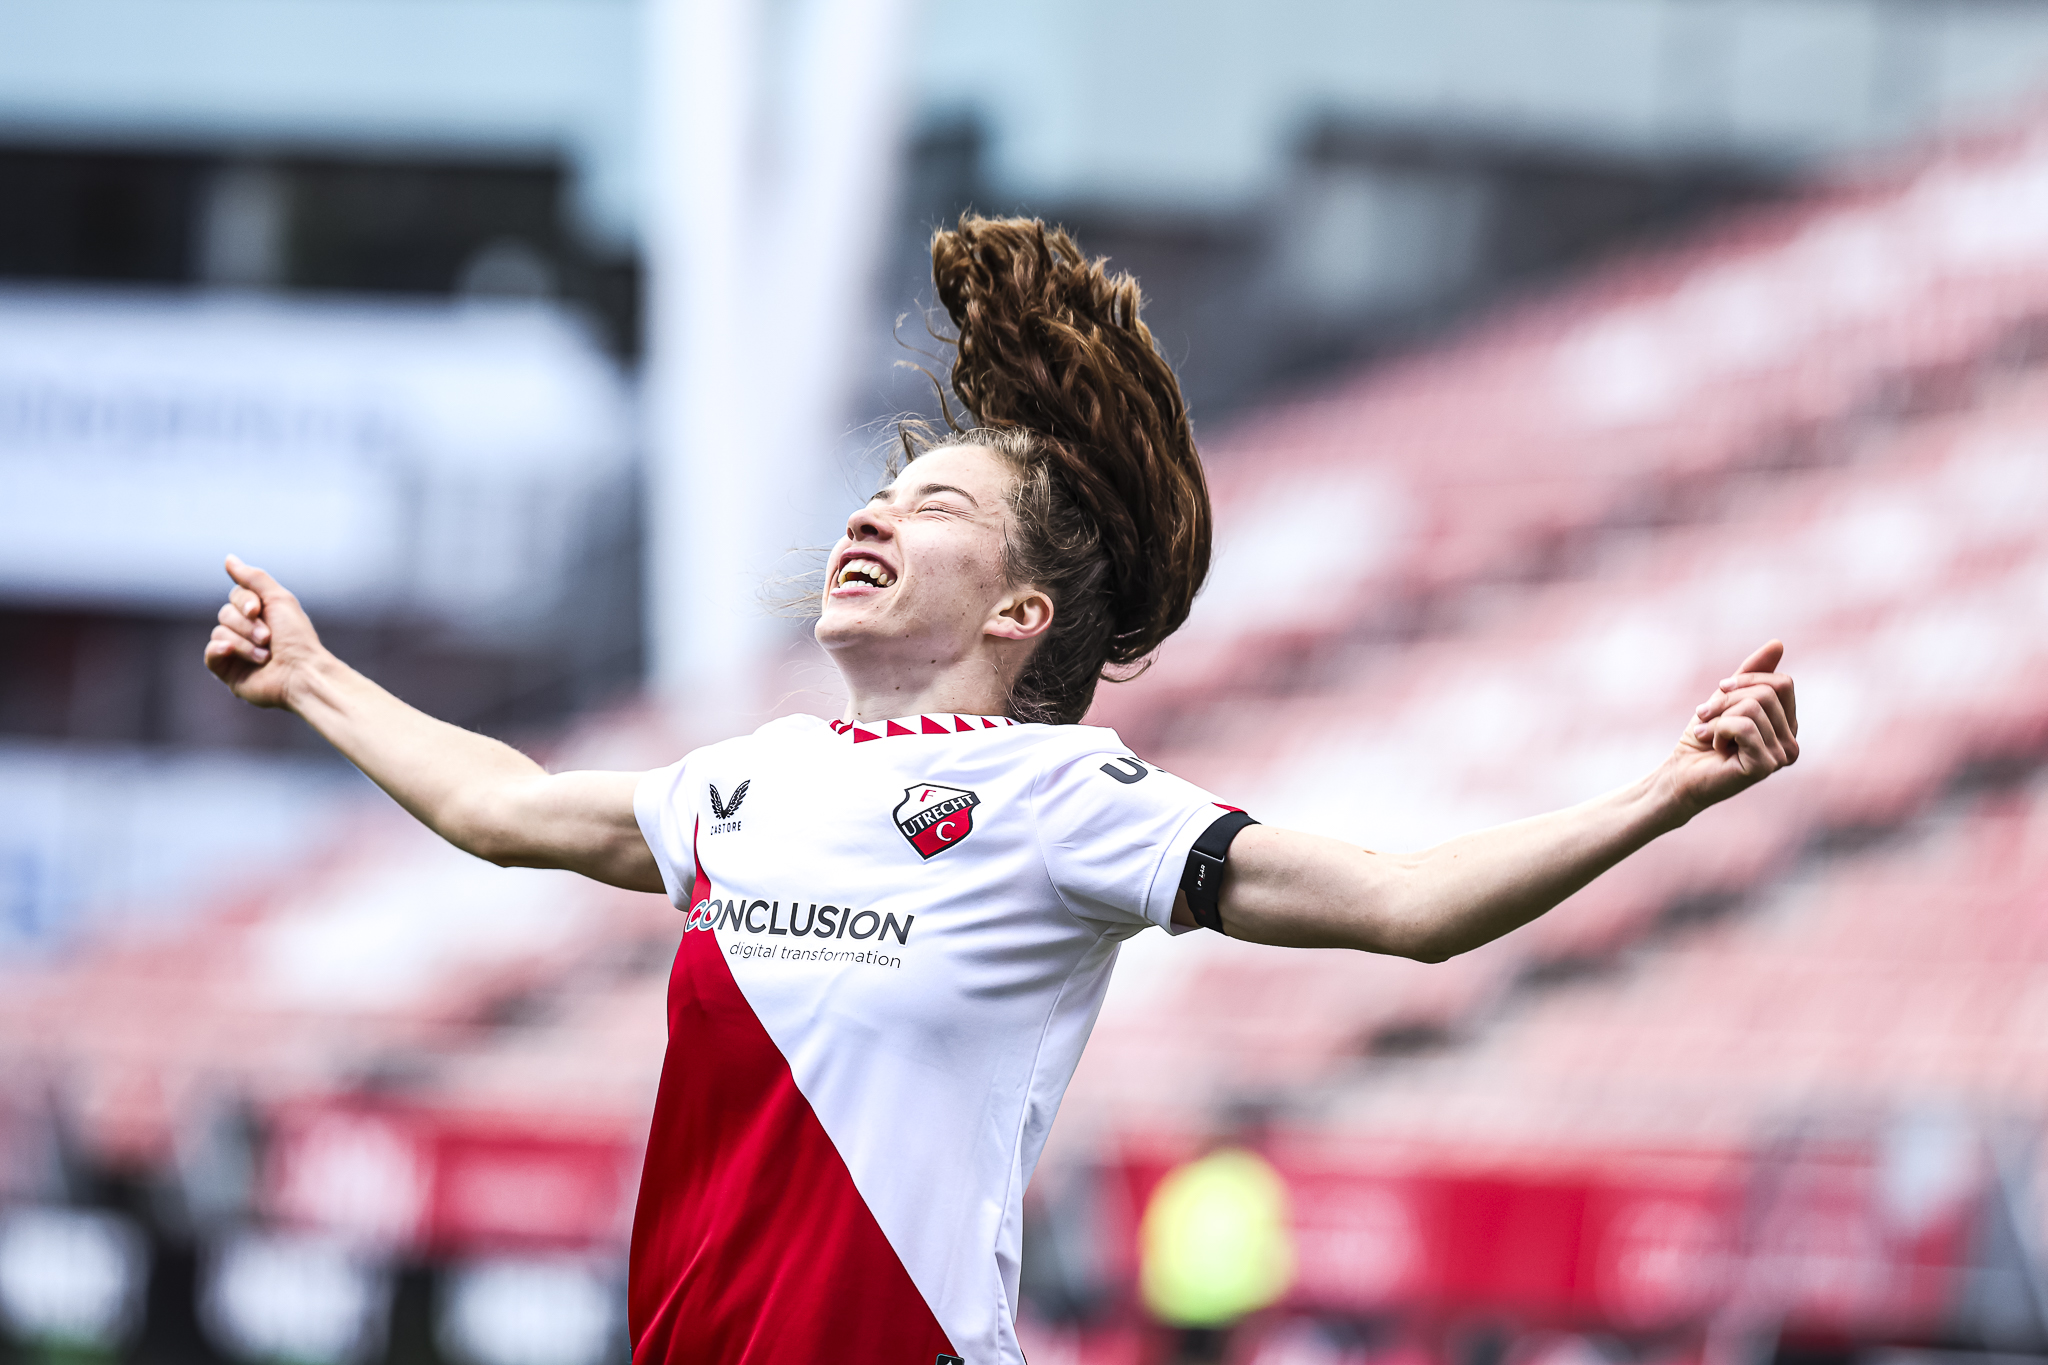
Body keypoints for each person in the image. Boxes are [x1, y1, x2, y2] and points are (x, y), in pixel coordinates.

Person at [202, 215, 1799, 1365]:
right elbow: (502, 807)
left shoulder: (1063, 795)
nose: (874, 515)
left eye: (936, 501)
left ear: (1021, 612)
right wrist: (311, 674)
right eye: (878, 492)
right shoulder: (746, 782)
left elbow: (1404, 908)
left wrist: (1665, 788)